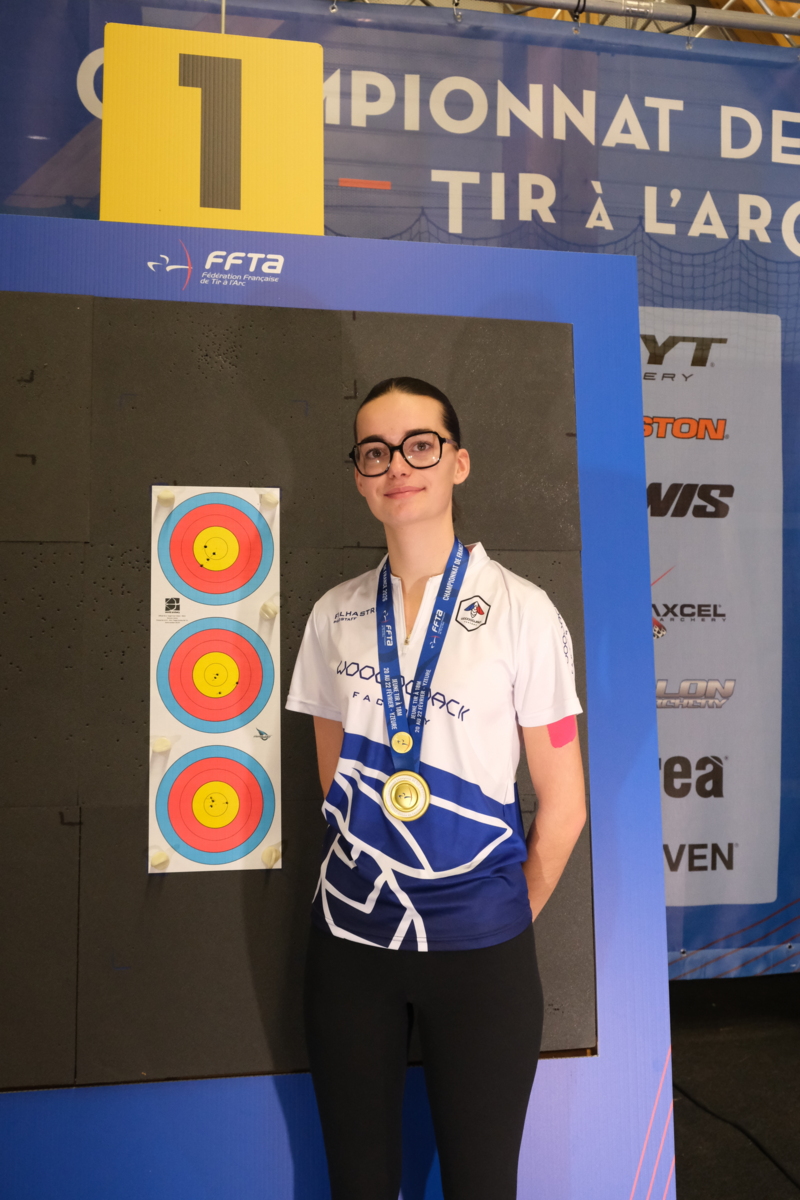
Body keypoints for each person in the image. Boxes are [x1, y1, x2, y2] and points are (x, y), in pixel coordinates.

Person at [286, 377, 586, 1200]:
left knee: (482, 1185)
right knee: (358, 1185)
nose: (397, 466)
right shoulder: (334, 616)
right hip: (350, 945)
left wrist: (497, 911)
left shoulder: (523, 611)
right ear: (358, 476)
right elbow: (333, 783)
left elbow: (564, 804)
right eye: (375, 451)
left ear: (458, 463)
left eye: (420, 445)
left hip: (481, 951)